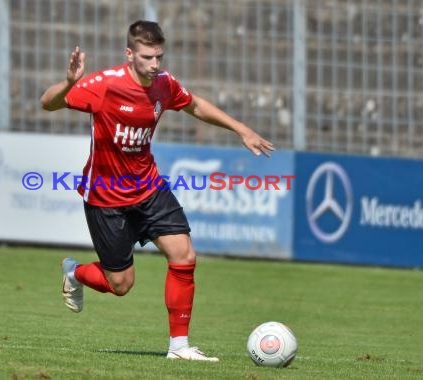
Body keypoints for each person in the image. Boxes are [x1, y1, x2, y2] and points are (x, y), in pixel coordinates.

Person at [40, 20, 274, 362]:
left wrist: (241, 129)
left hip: (148, 187)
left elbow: (194, 105)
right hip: (106, 197)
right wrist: (69, 83)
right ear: (129, 53)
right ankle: (75, 272)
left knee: (184, 256)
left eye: (159, 56)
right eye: (148, 57)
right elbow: (47, 103)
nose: (155, 64)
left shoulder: (164, 84)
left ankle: (178, 347)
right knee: (120, 284)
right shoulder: (104, 85)